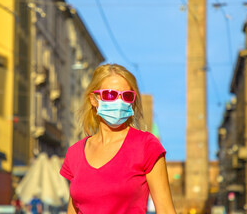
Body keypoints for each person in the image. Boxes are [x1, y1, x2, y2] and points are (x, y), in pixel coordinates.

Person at [60, 64, 176, 214]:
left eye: (127, 96)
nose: (119, 102)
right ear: (94, 99)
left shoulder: (146, 145)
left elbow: (166, 210)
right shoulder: (75, 153)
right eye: (110, 95)